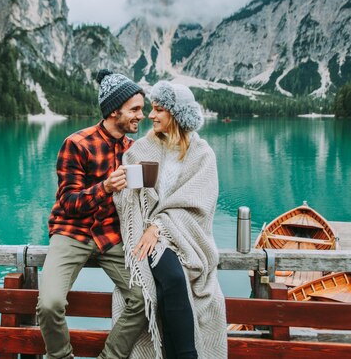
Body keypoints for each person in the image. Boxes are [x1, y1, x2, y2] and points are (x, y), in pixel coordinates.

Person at [37, 70, 148, 359]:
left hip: (112, 236)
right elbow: (68, 203)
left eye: (142, 109)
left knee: (144, 298)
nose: (141, 115)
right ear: (114, 110)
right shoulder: (77, 144)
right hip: (72, 233)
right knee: (49, 304)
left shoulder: (134, 149)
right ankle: (60, 356)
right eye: (135, 109)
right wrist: (105, 187)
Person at [113, 81, 227, 359]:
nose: (151, 116)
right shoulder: (141, 149)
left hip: (184, 238)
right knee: (173, 278)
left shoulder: (202, 155)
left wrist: (161, 226)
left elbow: (199, 205)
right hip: (145, 236)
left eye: (159, 109)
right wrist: (126, 186)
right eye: (151, 109)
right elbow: (126, 200)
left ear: (176, 115)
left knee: (171, 284)